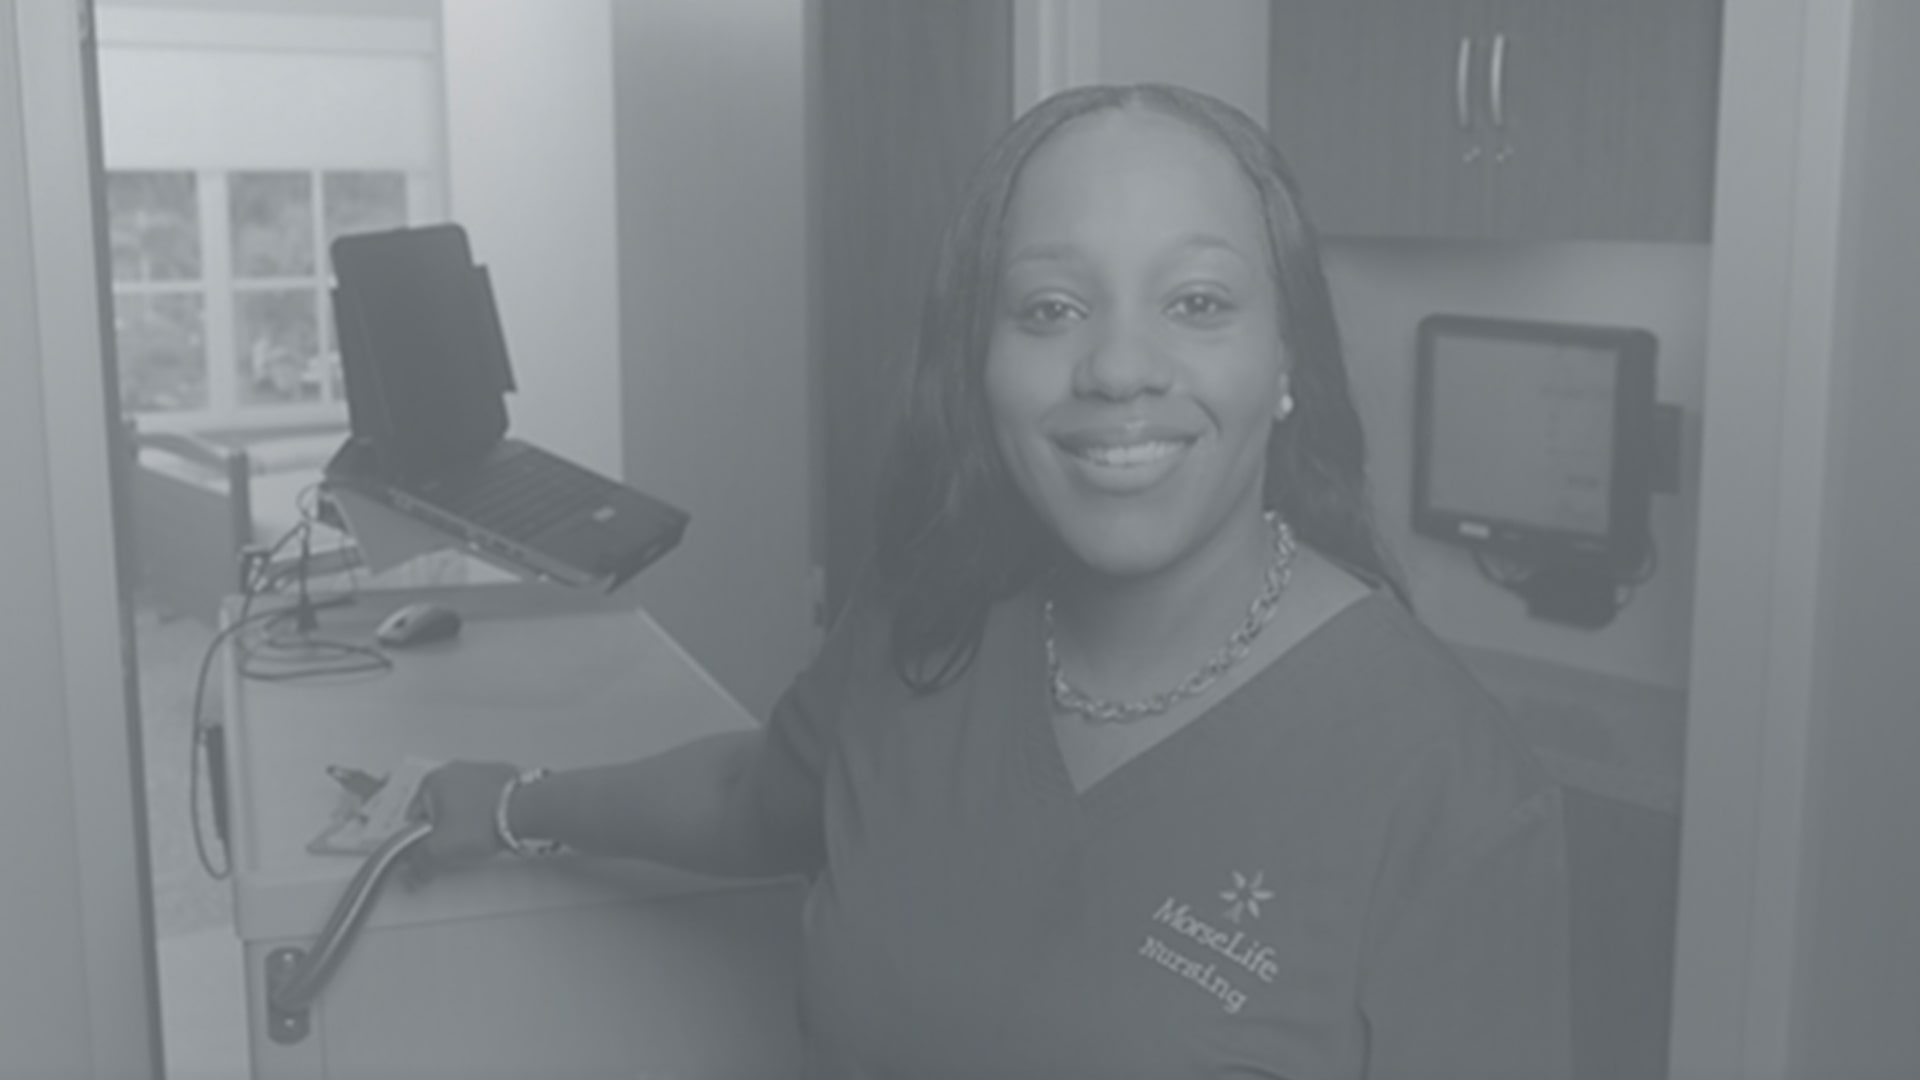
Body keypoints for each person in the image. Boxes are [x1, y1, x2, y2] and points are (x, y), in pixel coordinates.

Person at [414, 82, 1572, 1079]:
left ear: (1286, 364)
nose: (1118, 365)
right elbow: (752, 800)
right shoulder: (927, 622)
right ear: (983, 365)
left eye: (1199, 303)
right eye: (1051, 308)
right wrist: (517, 804)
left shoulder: (1449, 786)